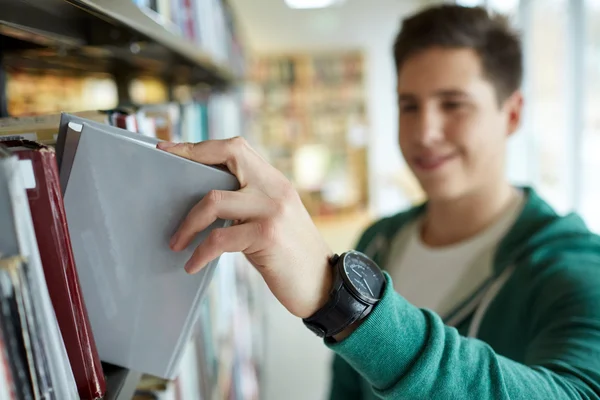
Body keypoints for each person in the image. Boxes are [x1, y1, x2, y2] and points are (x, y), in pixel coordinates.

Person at [157, 4, 600, 399]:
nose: (425, 132)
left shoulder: (573, 264)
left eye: (453, 105)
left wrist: (347, 304)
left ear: (513, 114)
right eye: (409, 105)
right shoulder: (380, 241)